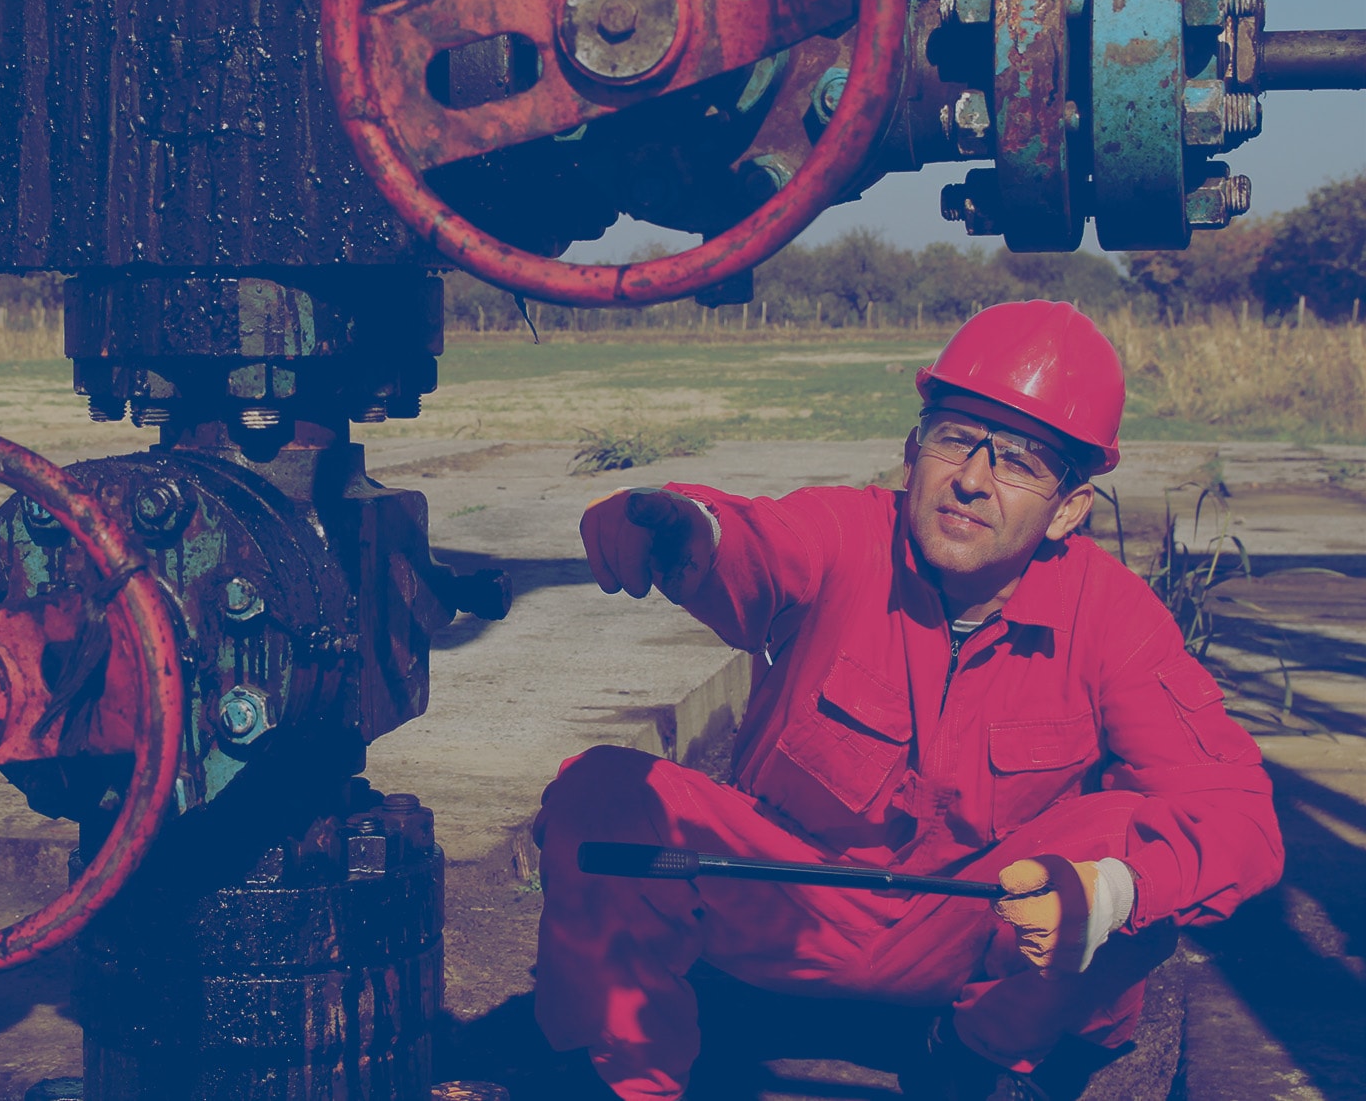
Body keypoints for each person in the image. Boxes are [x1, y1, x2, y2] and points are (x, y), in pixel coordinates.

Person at [533, 301, 1283, 1101]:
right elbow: (756, 548)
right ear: (911, 451)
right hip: (789, 907)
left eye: (1020, 461)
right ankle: (628, 1086)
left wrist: (1115, 893)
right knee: (605, 797)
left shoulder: (1115, 618)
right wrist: (684, 529)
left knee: (1127, 841)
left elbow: (1240, 816)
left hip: (977, 945)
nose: (972, 479)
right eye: (956, 437)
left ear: (1069, 508)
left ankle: (974, 1055)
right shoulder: (847, 533)